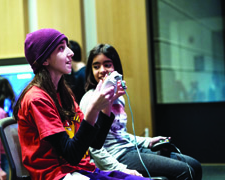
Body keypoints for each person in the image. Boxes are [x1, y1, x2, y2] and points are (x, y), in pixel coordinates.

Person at [13, 28, 149, 180]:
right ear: (44, 60)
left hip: (80, 168)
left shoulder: (64, 93)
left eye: (68, 46)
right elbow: (72, 155)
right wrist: (93, 109)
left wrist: (107, 103)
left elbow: (95, 142)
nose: (70, 53)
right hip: (57, 175)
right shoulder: (37, 99)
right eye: (61, 48)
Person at [79, 44, 203, 180]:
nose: (102, 70)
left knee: (195, 165)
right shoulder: (90, 100)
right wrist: (121, 169)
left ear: (116, 68)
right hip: (116, 157)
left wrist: (147, 142)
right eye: (96, 66)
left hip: (130, 149)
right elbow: (93, 147)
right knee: (185, 171)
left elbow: (120, 135)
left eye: (107, 65)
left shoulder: (118, 97)